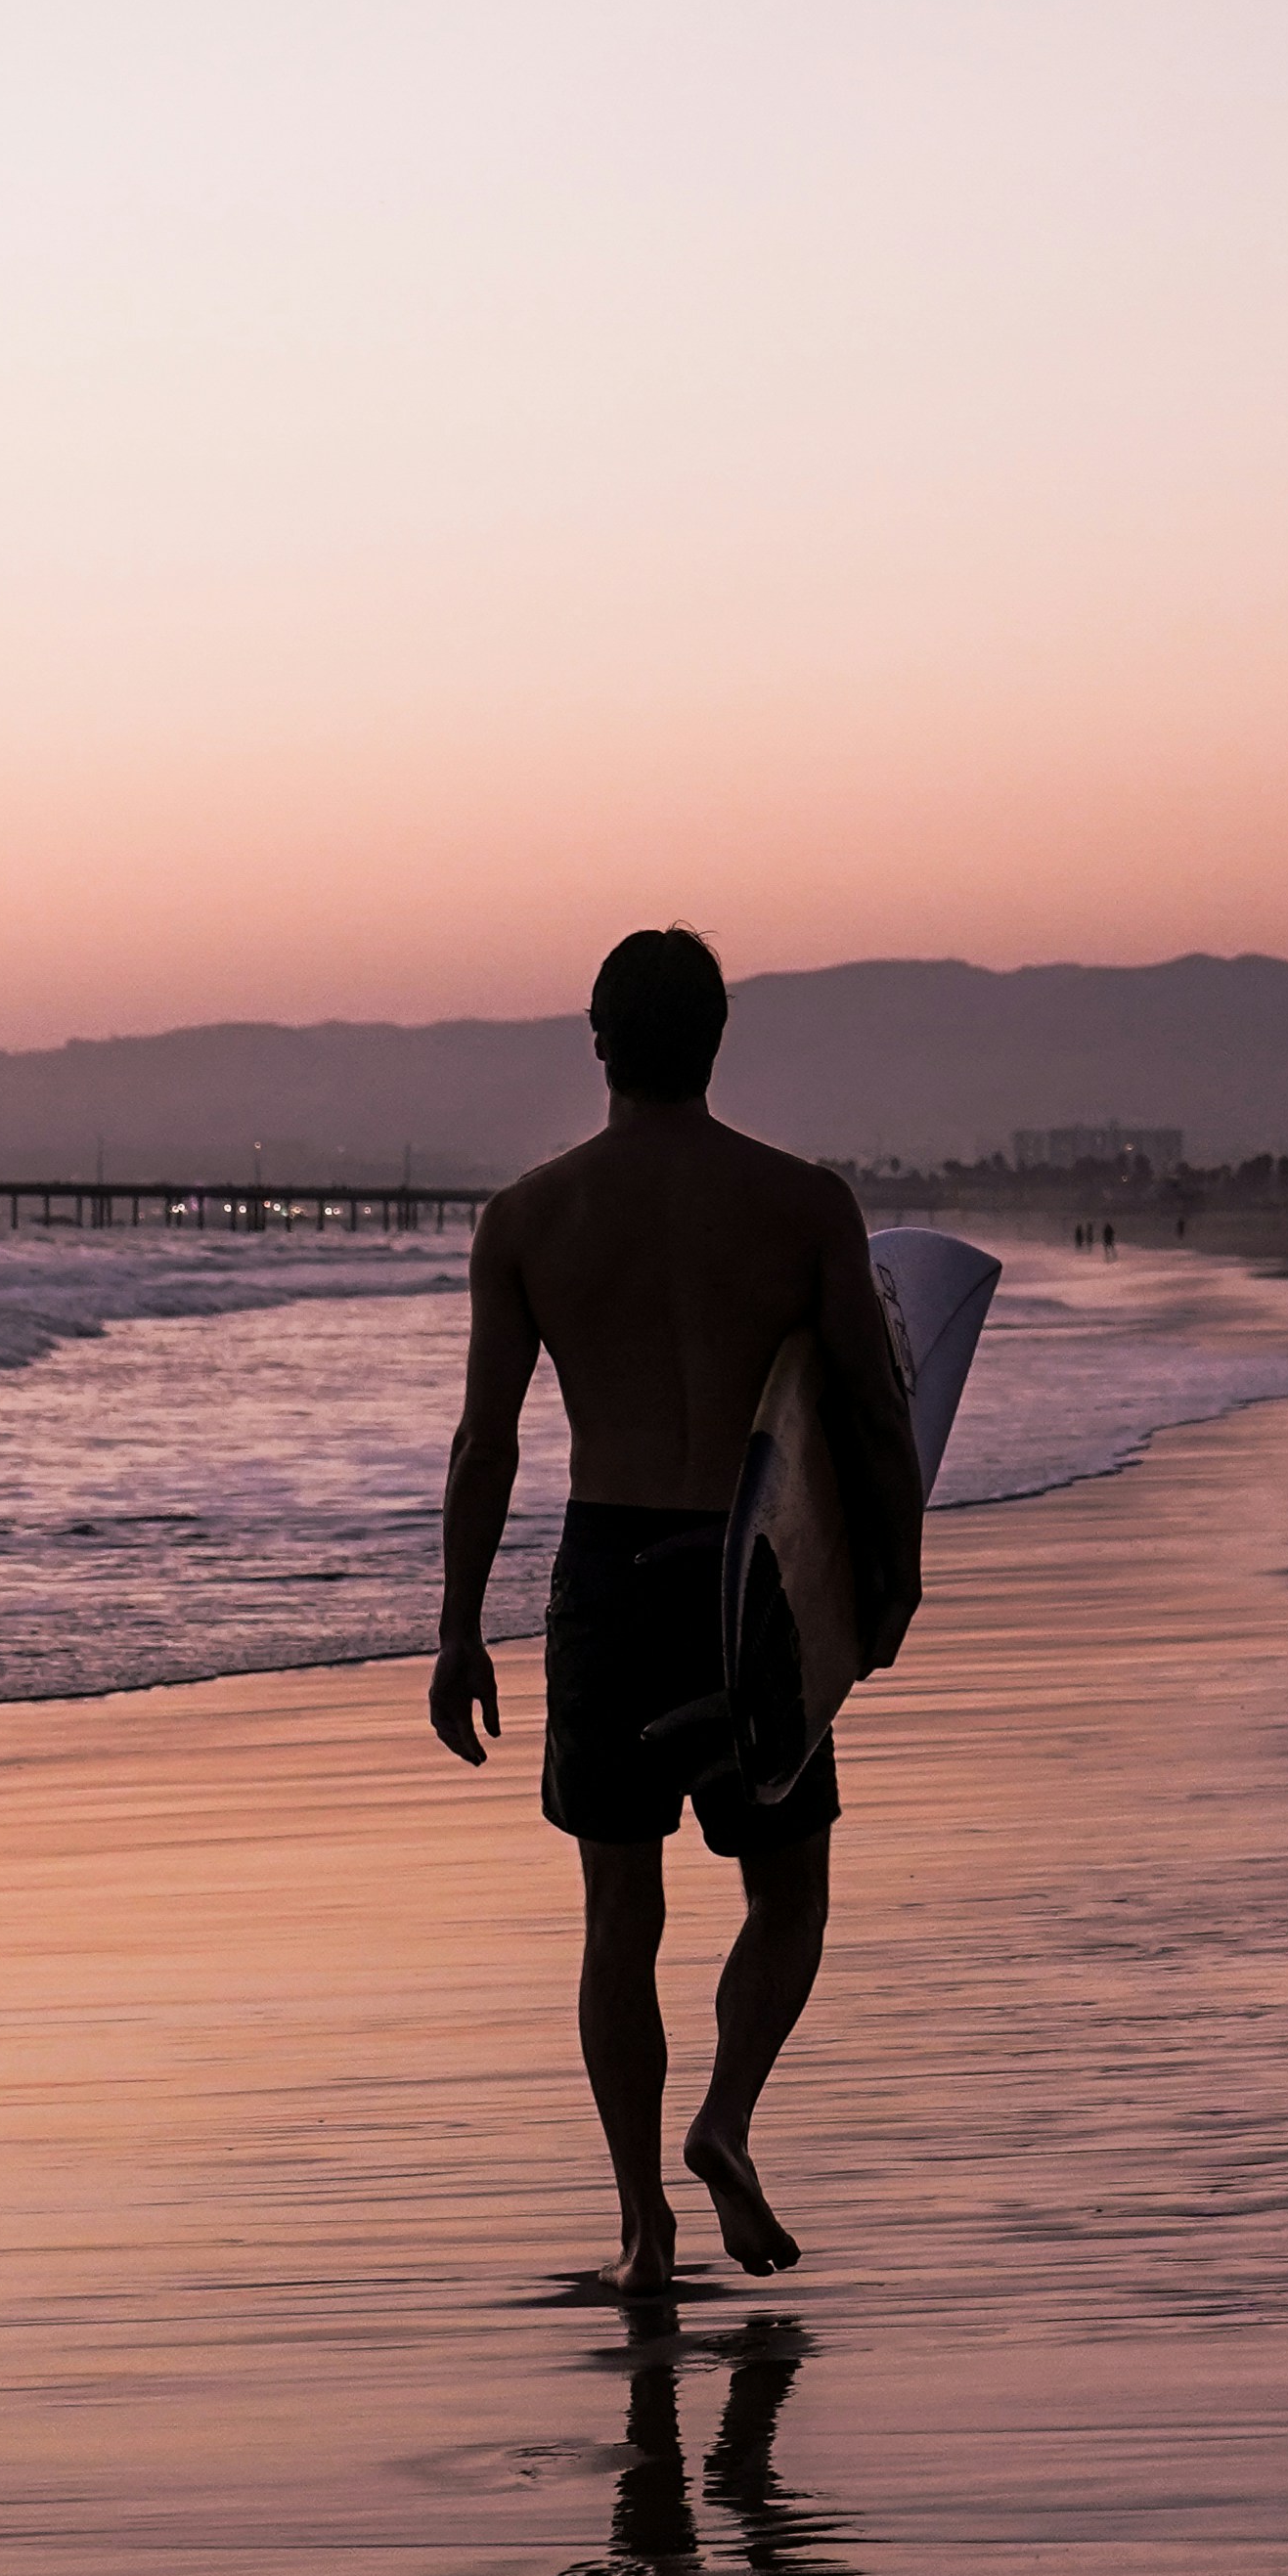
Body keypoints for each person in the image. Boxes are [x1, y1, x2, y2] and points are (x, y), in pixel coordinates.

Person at [433, 930, 923, 2288]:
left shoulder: (528, 1220)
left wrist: (460, 1624)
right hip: (750, 1574)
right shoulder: (805, 1204)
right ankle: (727, 2120)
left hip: (607, 1569)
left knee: (618, 1912)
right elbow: (876, 1409)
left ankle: (642, 2224)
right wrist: (893, 1570)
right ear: (718, 1038)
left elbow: (488, 1447)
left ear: (598, 1039)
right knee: (790, 1890)